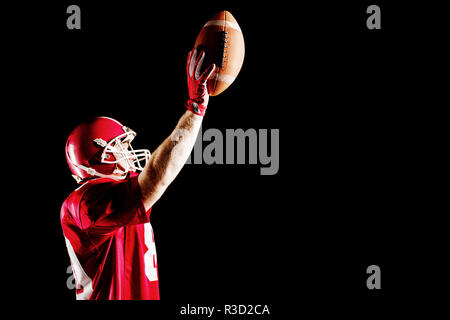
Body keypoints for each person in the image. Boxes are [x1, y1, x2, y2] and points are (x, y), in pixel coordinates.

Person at [60, 49, 215, 300]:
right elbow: (156, 177)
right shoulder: (82, 203)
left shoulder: (120, 196)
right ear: (101, 156)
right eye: (120, 146)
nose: (129, 153)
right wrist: (195, 109)